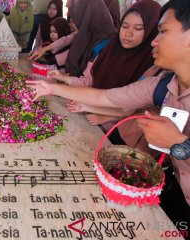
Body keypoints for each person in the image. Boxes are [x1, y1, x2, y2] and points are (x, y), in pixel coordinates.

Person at [28, 0, 190, 234]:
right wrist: (52, 88)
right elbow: (109, 97)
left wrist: (179, 144)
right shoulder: (162, 84)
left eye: (162, 31)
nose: (154, 40)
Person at [29, 0, 117, 73]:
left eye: (76, 20)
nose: (73, 25)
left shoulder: (105, 42)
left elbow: (78, 51)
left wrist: (54, 61)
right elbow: (66, 40)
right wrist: (44, 49)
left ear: (86, 17)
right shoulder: (85, 30)